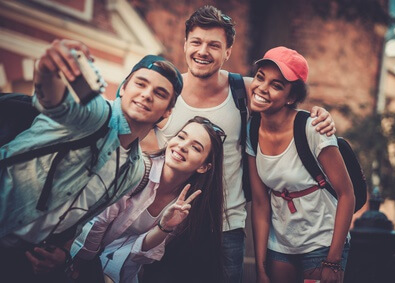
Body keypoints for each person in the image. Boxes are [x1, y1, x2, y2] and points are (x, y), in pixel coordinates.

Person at [141, 5, 337, 283]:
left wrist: (319, 112)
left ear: (227, 52)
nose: (203, 51)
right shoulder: (167, 93)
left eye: (214, 45)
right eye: (196, 42)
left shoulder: (243, 90)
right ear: (184, 44)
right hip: (168, 226)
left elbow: (282, 98)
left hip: (225, 229)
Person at [0, 39, 183, 282]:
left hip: (21, 258)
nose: (147, 94)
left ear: (167, 111)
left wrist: (63, 253)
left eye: (160, 93)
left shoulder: (134, 171)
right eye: (141, 83)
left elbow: (78, 217)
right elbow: (56, 99)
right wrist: (47, 67)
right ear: (124, 88)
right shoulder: (94, 113)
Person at [69, 116, 225, 283]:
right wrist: (83, 264)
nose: (182, 146)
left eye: (195, 147)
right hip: (81, 260)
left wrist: (164, 227)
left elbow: (141, 255)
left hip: (123, 271)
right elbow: (98, 222)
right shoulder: (137, 171)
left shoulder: (186, 205)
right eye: (181, 136)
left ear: (203, 167)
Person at [247, 46, 355, 283]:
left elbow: (347, 194)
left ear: (292, 97)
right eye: (260, 77)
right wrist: (260, 267)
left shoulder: (313, 129)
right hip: (281, 243)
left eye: (277, 85)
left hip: (322, 242)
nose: (262, 88)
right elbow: (261, 203)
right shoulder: (252, 129)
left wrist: (333, 260)